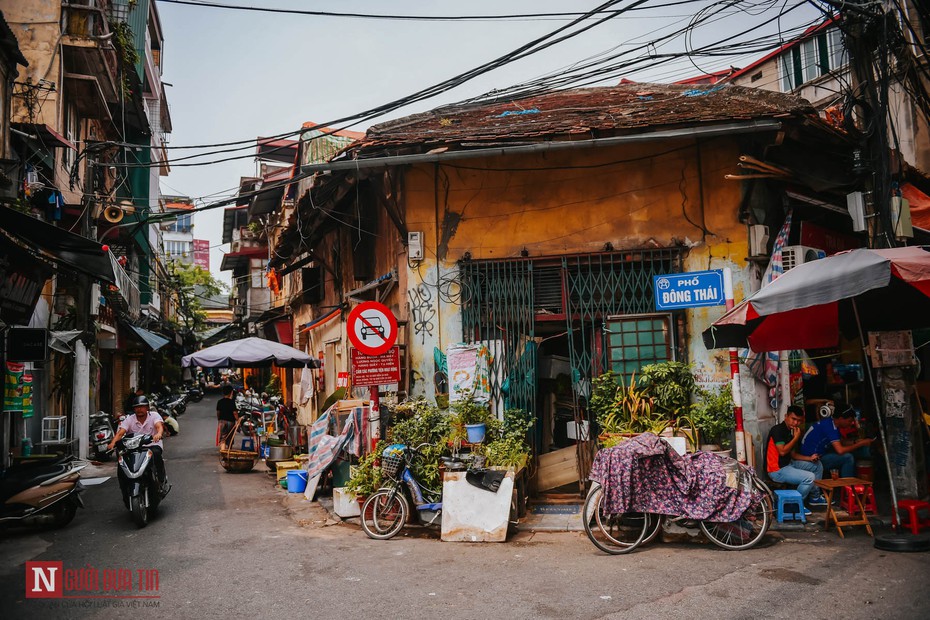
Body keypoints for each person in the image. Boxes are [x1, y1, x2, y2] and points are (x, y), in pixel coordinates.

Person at [765, 406, 826, 512]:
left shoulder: (791, 432)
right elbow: (782, 451)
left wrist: (810, 458)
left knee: (817, 465)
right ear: (786, 417)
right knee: (809, 477)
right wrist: (796, 438)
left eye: (799, 421)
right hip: (777, 470)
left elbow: (793, 455)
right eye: (793, 419)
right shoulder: (778, 430)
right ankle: (795, 504)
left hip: (789, 464)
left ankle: (814, 497)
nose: (796, 423)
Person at [108, 395, 169, 492]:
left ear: (147, 408)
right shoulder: (129, 419)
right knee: (122, 461)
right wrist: (112, 443)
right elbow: (120, 433)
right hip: (133, 447)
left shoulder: (154, 415)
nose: (139, 409)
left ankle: (161, 480)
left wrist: (159, 434)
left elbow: (159, 426)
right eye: (136, 407)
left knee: (156, 454)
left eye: (142, 406)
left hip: (152, 445)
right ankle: (124, 488)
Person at [798, 403, 874, 479]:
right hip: (811, 460)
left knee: (855, 452)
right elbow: (840, 450)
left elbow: (841, 442)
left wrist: (856, 442)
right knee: (848, 457)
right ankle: (847, 486)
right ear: (841, 418)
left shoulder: (831, 422)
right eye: (849, 421)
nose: (851, 423)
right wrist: (860, 444)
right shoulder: (829, 427)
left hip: (818, 455)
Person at [216, 385, 238, 449]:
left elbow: (218, 412)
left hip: (222, 421)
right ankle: (229, 453)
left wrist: (219, 420)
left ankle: (223, 455)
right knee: (230, 438)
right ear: (231, 392)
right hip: (231, 422)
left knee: (223, 439)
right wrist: (238, 420)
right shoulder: (232, 402)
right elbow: (235, 413)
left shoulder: (220, 402)